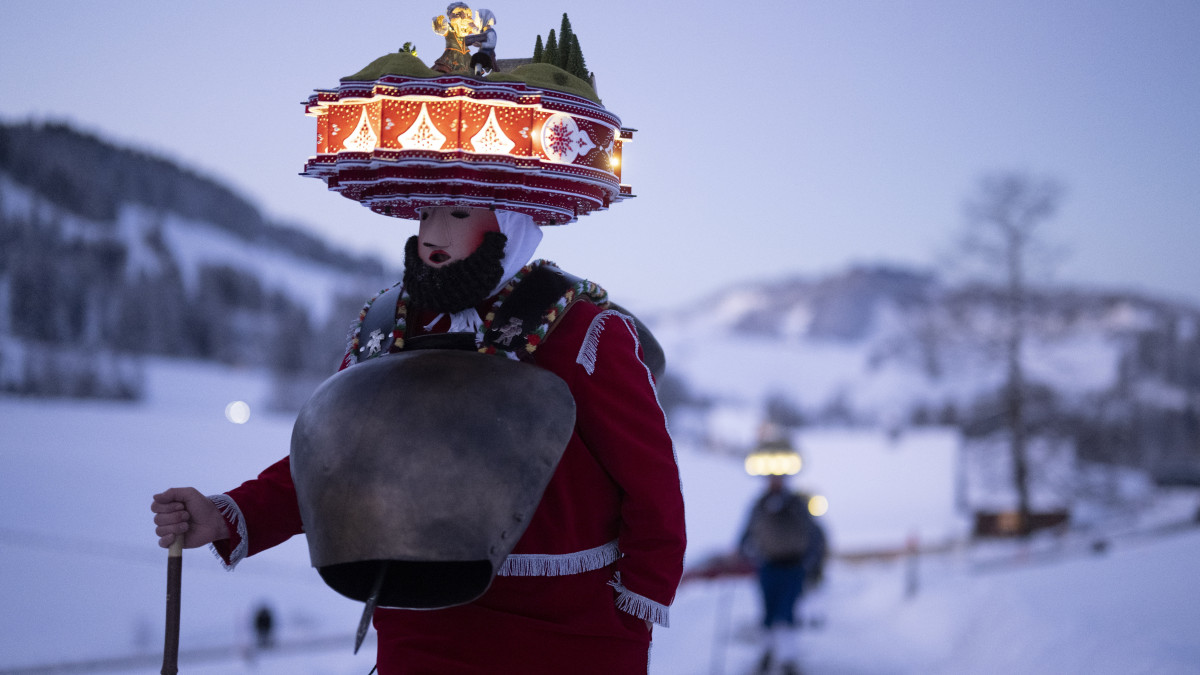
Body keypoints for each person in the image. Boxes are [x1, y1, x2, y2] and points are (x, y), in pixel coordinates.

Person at [152, 205, 687, 673]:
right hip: (420, 629)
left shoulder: (585, 333)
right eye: (426, 213)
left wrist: (629, 609)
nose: (433, 235)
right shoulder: (386, 329)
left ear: (511, 221)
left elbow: (651, 483)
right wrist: (228, 515)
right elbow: (334, 464)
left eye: (457, 215)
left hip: (566, 637)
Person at [739, 475, 827, 675]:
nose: (775, 482)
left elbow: (814, 533)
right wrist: (740, 552)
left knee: (787, 612)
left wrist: (810, 562)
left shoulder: (797, 504)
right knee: (768, 612)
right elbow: (747, 532)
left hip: (793, 567)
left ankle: (788, 658)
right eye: (771, 478)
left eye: (778, 478)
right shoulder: (760, 504)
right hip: (768, 565)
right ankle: (767, 653)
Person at [431, 2, 476, 74]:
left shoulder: (466, 31)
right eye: (458, 14)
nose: (463, 17)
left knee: (469, 73)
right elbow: (441, 30)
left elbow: (477, 31)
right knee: (447, 70)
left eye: (466, 15)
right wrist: (439, 25)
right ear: (450, 17)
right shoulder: (449, 28)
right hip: (452, 57)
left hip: (466, 58)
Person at [465, 9, 498, 76]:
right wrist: (473, 27)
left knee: (479, 59)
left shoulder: (491, 33)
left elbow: (492, 44)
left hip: (488, 54)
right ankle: (478, 72)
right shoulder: (483, 32)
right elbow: (478, 32)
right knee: (476, 59)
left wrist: (481, 45)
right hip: (481, 53)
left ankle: (486, 67)